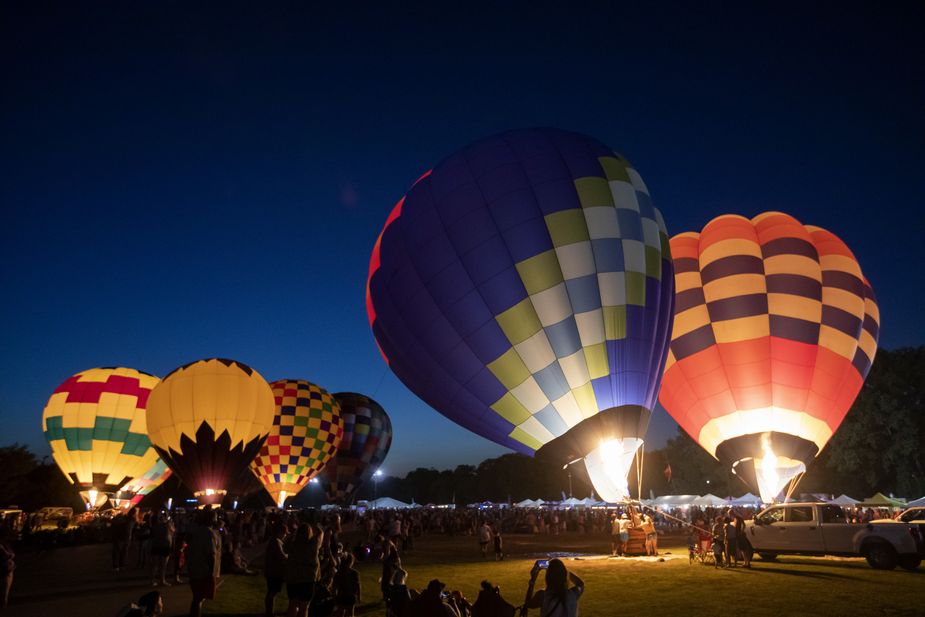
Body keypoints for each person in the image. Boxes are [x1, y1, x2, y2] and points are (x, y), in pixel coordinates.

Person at [187, 508, 222, 617]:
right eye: (215, 517)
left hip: (195, 568)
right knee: (198, 599)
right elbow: (210, 554)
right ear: (211, 519)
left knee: (197, 598)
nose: (217, 519)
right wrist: (211, 574)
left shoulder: (197, 530)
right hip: (203, 571)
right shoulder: (208, 533)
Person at [286, 523, 324, 617]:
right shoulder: (312, 545)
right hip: (307, 579)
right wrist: (316, 525)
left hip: (292, 579)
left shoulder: (292, 544)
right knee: (304, 607)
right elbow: (320, 534)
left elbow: (286, 543)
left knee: (292, 604)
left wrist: (294, 533)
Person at [265, 522, 289, 617]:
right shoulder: (276, 541)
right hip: (274, 572)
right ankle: (269, 613)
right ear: (280, 532)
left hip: (272, 571)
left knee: (272, 592)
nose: (285, 535)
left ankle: (269, 612)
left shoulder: (275, 541)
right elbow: (282, 556)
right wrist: (290, 556)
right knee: (272, 592)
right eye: (285, 533)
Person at [150, 512, 174, 586]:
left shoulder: (155, 526)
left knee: (156, 564)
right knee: (163, 565)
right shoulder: (167, 525)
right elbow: (173, 531)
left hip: (156, 545)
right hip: (164, 545)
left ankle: (153, 580)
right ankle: (162, 580)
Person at [333, 553, 360, 617]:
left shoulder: (338, 573)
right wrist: (359, 596)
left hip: (341, 596)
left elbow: (335, 586)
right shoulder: (355, 573)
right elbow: (357, 585)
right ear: (351, 562)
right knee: (350, 613)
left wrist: (334, 596)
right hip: (351, 596)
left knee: (340, 612)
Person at [0, 530, 14, 609]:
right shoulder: (3, 545)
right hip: (5, 569)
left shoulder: (4, 544)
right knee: (5, 589)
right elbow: (10, 555)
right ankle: (3, 603)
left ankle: (3, 602)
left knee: (5, 589)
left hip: (6, 569)